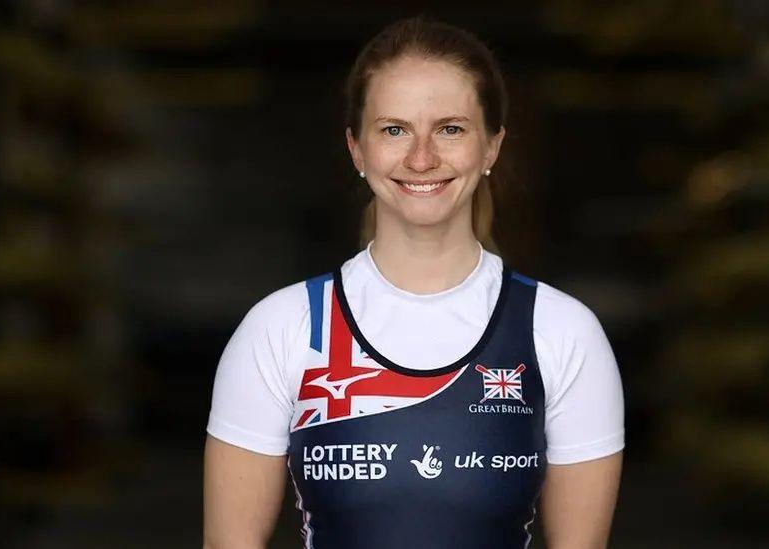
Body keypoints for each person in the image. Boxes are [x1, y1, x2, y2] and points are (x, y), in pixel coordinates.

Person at [203, 15, 624, 549]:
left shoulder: (561, 333)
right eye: (394, 129)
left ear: (491, 147)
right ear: (357, 150)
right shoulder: (285, 328)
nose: (422, 158)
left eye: (450, 128)